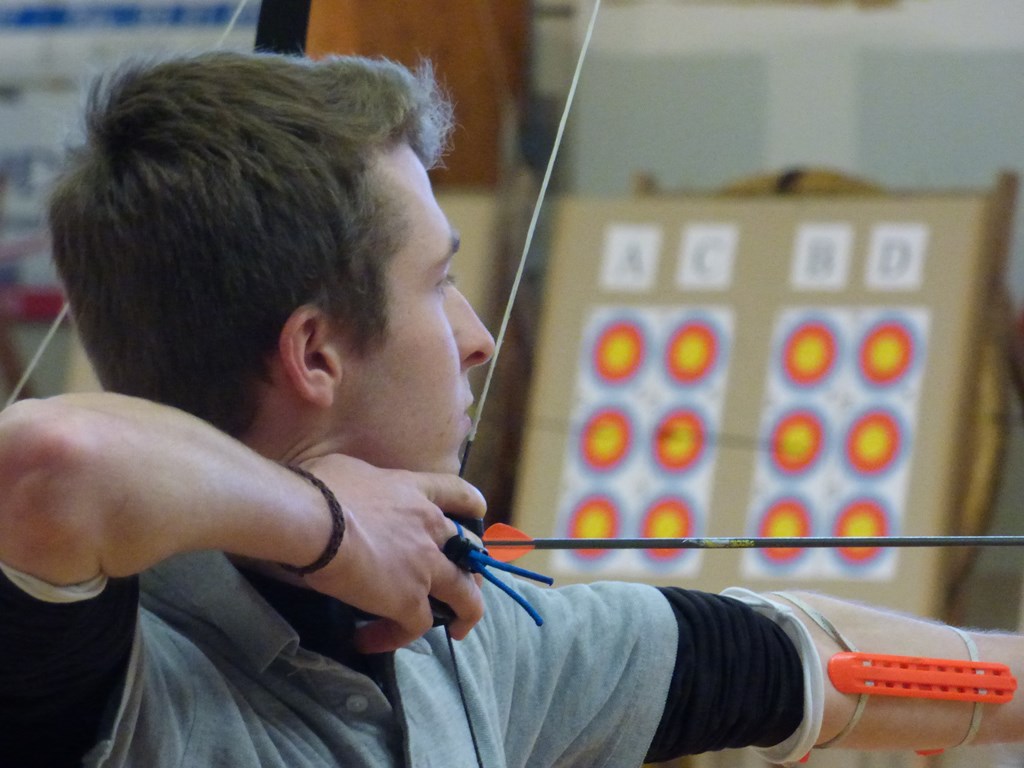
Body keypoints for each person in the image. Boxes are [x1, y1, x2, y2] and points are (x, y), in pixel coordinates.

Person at [0, 50, 1021, 768]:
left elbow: (785, 663)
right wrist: (326, 526)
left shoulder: (457, 646)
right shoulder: (100, 671)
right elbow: (56, 455)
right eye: (438, 282)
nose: (478, 334)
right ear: (314, 354)